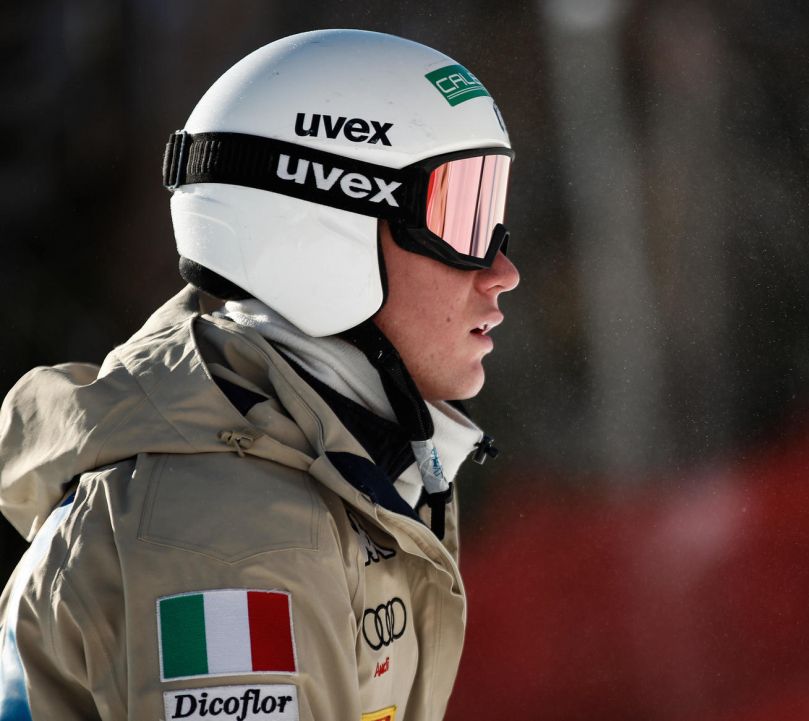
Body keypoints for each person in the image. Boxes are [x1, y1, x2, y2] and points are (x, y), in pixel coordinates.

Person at [0, 29, 518, 721]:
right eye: (461, 217)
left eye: (491, 211)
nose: (501, 271)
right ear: (318, 228)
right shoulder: (230, 533)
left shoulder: (313, 468)